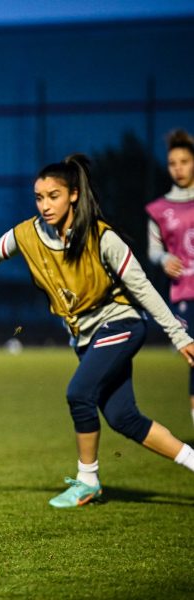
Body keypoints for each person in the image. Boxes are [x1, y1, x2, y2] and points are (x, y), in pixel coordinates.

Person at [0, 154, 194, 508]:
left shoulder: (101, 237)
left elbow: (144, 288)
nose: (44, 205)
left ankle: (88, 481)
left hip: (120, 323)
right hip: (86, 337)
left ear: (73, 194)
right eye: (39, 197)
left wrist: (179, 336)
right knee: (124, 418)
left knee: (79, 393)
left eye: (53, 196)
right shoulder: (28, 234)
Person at [146, 129, 194, 428]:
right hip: (185, 294)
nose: (178, 168)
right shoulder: (160, 209)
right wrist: (164, 259)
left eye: (184, 161)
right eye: (172, 163)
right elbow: (153, 250)